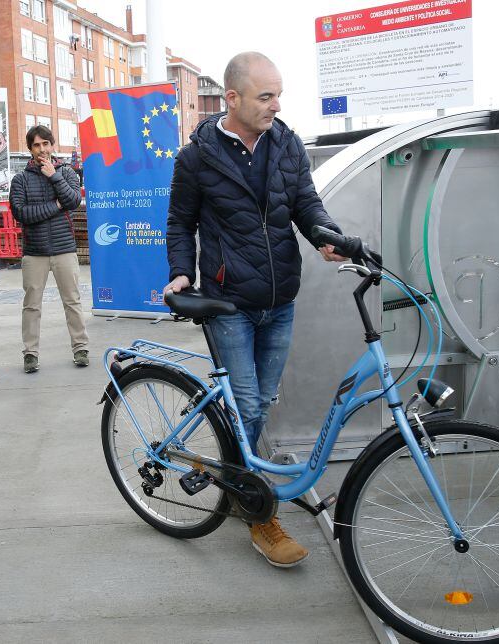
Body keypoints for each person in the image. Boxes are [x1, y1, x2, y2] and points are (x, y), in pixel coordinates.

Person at [164, 52, 348, 568]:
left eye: (278, 94)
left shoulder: (286, 142)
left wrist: (325, 236)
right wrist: (181, 271)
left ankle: (230, 465)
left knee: (262, 401)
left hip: (279, 298)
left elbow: (306, 202)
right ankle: (257, 512)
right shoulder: (196, 157)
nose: (276, 105)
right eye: (266, 96)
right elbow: (180, 222)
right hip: (228, 303)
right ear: (233, 99)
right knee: (247, 407)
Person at [9, 125, 88, 373]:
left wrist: (54, 176)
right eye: (36, 145)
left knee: (72, 301)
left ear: (53, 145)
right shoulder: (20, 179)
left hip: (64, 248)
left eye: (45, 144)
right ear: (30, 148)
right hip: (35, 252)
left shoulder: (67, 172)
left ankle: (81, 348)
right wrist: (55, 205)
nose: (42, 149)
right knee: (31, 305)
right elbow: (22, 214)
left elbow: (74, 201)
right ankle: (30, 353)